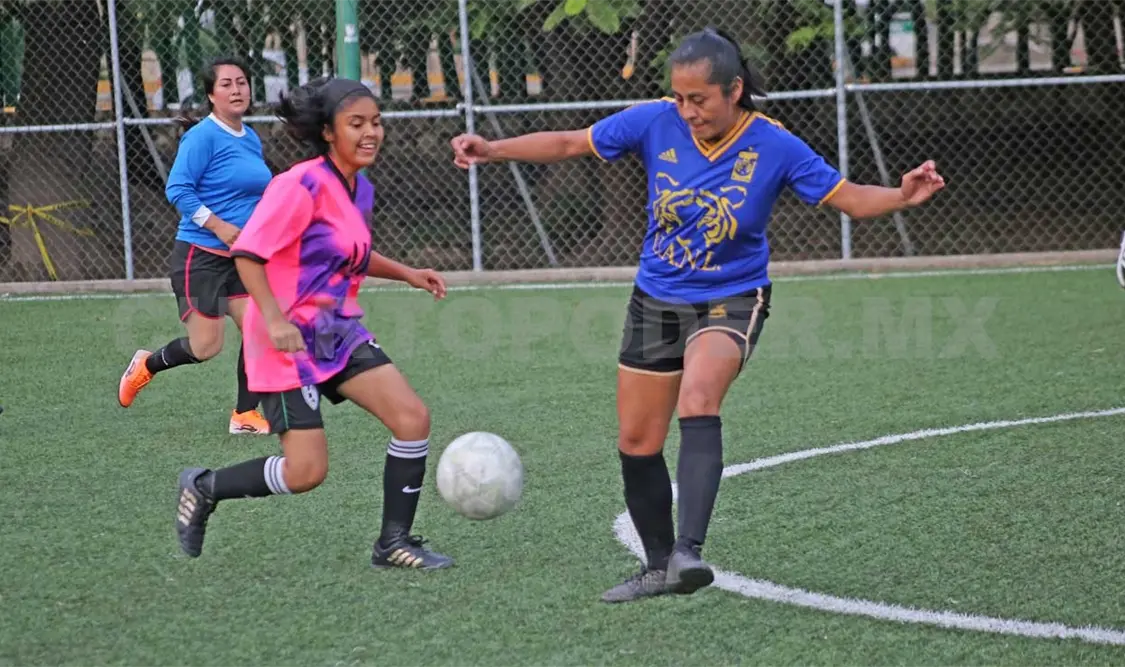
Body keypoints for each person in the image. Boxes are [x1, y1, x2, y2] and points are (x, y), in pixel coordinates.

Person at [450, 27, 945, 602]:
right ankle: (659, 565)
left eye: (699, 99)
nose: (687, 111)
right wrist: (492, 149)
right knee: (637, 441)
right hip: (657, 298)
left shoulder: (773, 144)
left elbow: (850, 198)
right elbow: (568, 144)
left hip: (731, 298)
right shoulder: (654, 121)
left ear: (733, 90)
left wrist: (901, 195)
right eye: (680, 98)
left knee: (699, 397)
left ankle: (688, 551)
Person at [173, 76, 455, 571]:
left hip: (333, 330)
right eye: (356, 124)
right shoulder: (298, 185)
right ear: (327, 131)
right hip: (285, 342)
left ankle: (393, 543)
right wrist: (275, 319)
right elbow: (248, 253)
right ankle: (206, 486)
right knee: (306, 472)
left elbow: (350, 253)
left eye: (376, 122)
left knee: (412, 419)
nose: (371, 133)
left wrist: (408, 273)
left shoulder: (358, 188)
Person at [118, 56, 273, 436]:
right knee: (205, 348)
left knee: (260, 329)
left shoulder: (250, 137)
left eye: (241, 82)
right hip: (201, 257)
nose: (236, 90)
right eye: (226, 84)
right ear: (211, 94)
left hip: (241, 260)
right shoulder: (203, 136)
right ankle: (147, 365)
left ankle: (245, 415)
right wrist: (218, 226)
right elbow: (178, 189)